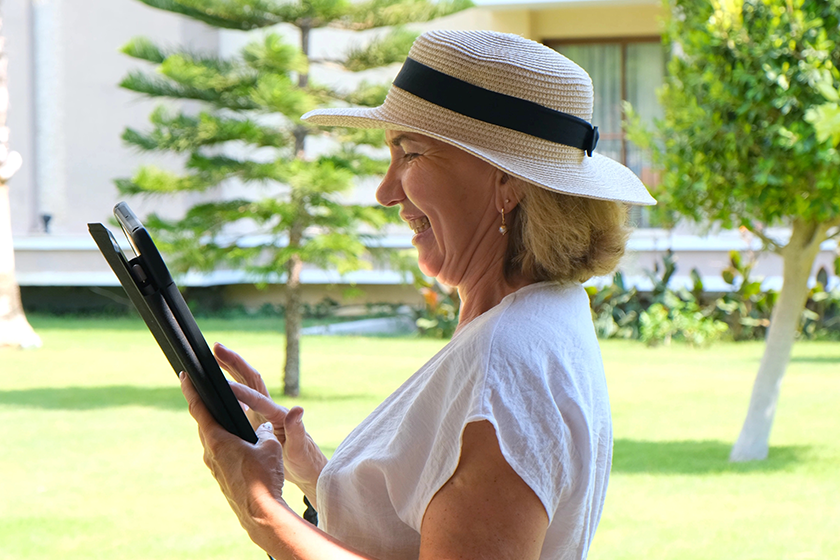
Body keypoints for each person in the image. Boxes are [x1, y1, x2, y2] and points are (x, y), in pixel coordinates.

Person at [178, 29, 655, 560]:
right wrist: (314, 471)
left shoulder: (506, 363)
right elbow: (427, 516)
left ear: (506, 183)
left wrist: (259, 505)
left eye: (410, 153)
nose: (385, 191)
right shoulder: (539, 317)